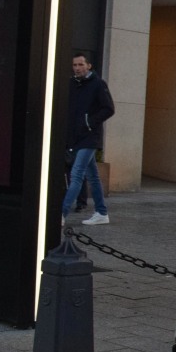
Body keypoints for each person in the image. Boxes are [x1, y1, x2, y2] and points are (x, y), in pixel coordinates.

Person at [63, 52, 114, 225]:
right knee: (92, 176)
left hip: (90, 137)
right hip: (77, 138)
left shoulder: (98, 84)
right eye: (75, 65)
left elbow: (109, 109)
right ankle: (101, 212)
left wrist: (89, 122)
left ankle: (61, 214)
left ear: (89, 65)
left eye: (80, 65)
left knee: (76, 175)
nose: (77, 68)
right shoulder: (72, 84)